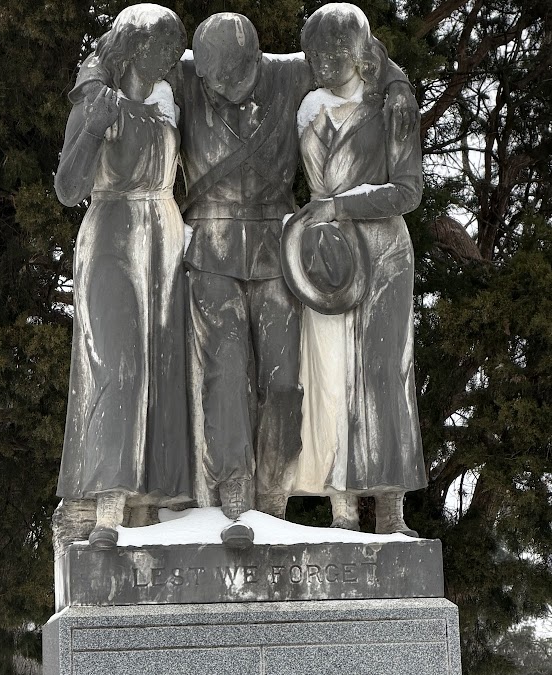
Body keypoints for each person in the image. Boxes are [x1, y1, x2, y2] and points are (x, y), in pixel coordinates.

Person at [174, 12, 419, 544]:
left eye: (238, 79)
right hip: (211, 248)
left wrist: (397, 81)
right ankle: (235, 491)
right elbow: (122, 48)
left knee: (285, 383)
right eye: (220, 85)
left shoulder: (288, 74)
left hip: (278, 251)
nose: (229, 93)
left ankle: (274, 496)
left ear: (256, 60)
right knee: (225, 372)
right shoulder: (185, 73)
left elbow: (355, 46)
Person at [282, 3, 427, 533]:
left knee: (384, 378)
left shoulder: (391, 106)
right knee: (328, 377)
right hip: (324, 258)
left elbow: (408, 192)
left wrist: (341, 206)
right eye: (316, 50)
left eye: (338, 48)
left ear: (361, 51)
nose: (325, 60)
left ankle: (390, 511)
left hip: (382, 255)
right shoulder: (306, 108)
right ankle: (341, 511)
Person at [55, 4, 190, 549]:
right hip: (112, 233)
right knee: (117, 363)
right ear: (135, 48)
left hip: (164, 239)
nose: (171, 58)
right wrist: (91, 124)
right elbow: (67, 187)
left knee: (165, 368)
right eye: (162, 48)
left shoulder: (167, 101)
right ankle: (105, 503)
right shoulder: (98, 102)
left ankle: (151, 505)